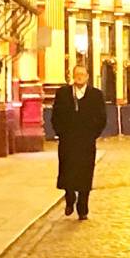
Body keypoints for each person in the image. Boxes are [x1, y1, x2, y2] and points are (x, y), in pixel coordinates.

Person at [50, 55, 108, 219]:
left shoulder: (96, 95)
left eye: (82, 74)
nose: (79, 77)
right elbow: (55, 116)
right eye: (77, 74)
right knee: (67, 172)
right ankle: (70, 198)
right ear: (72, 76)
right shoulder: (63, 93)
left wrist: (93, 134)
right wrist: (60, 132)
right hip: (67, 141)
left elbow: (102, 118)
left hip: (86, 142)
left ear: (87, 77)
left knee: (85, 173)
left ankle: (83, 207)